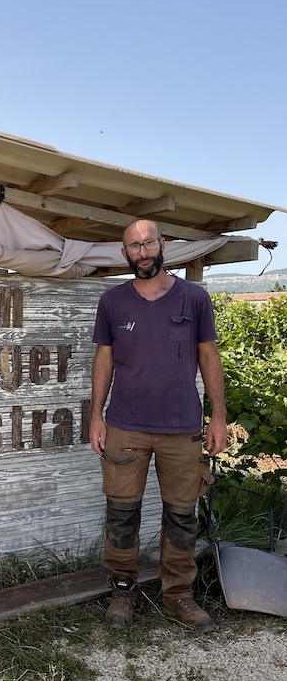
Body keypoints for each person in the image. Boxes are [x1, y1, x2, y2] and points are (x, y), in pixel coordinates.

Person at [89, 219, 228, 632]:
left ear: (163, 245)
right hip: (125, 426)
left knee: (182, 515)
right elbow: (104, 360)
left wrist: (217, 416)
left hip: (181, 426)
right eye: (134, 246)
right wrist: (97, 414)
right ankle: (122, 591)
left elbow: (209, 358)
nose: (143, 252)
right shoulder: (113, 302)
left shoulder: (194, 298)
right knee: (122, 513)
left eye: (149, 243)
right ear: (125, 254)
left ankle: (179, 596)